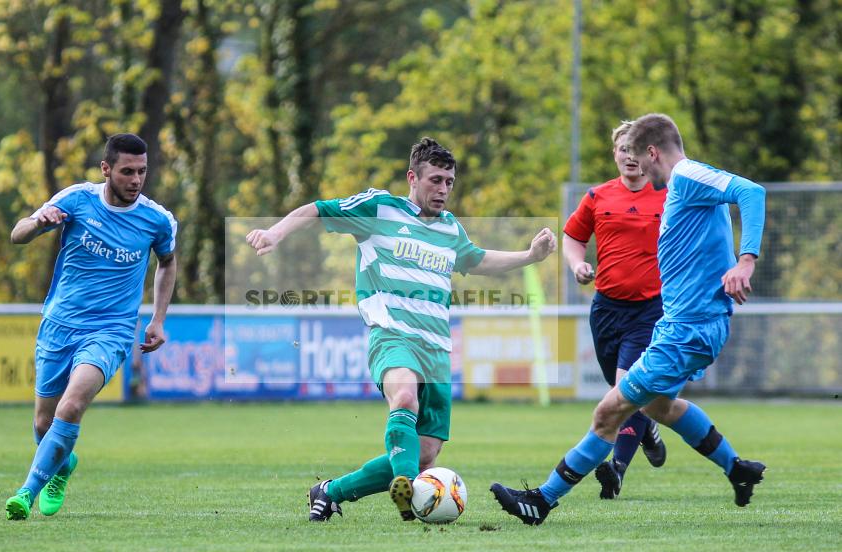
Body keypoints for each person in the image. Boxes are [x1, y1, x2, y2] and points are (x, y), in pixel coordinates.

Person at [246, 137, 558, 522]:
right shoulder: (380, 209)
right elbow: (317, 209)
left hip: (437, 350)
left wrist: (530, 256)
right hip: (392, 336)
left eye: (449, 182)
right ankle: (411, 495)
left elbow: (477, 260)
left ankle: (330, 491)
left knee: (426, 450)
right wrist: (275, 233)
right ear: (413, 177)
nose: (443, 189)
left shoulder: (450, 229)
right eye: (435, 180)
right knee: (405, 398)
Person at [491, 113, 767, 525]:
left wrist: (745, 261)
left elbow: (752, 191)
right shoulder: (683, 184)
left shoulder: (688, 175)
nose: (640, 168)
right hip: (682, 326)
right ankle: (737, 469)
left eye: (641, 157)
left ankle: (542, 500)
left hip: (686, 330)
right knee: (659, 407)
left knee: (608, 412)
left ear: (653, 152)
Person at [5, 133, 177, 520]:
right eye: (127, 171)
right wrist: (36, 223)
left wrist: (158, 318)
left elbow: (167, 262)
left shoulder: (157, 219)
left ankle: (25, 492)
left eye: (142, 171)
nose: (136, 180)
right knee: (43, 424)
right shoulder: (76, 200)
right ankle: (61, 469)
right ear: (106, 169)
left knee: (73, 404)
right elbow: (18, 235)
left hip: (111, 332)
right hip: (59, 325)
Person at [562, 121, 668, 500]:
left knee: (627, 387)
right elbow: (573, 237)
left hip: (649, 310)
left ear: (650, 154)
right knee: (622, 391)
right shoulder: (597, 196)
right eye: (624, 148)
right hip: (606, 308)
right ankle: (649, 429)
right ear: (615, 154)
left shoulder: (668, 195)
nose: (630, 156)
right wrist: (577, 265)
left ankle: (617, 470)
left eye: (637, 149)